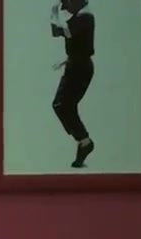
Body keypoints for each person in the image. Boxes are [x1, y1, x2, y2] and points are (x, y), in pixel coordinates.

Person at [50, 0, 96, 168]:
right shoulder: (80, 16)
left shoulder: (85, 17)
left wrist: (54, 14)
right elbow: (78, 43)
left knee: (62, 105)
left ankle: (84, 141)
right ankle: (83, 142)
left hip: (79, 68)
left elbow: (58, 32)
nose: (66, 9)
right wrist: (68, 59)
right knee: (65, 105)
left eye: (67, 4)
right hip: (76, 65)